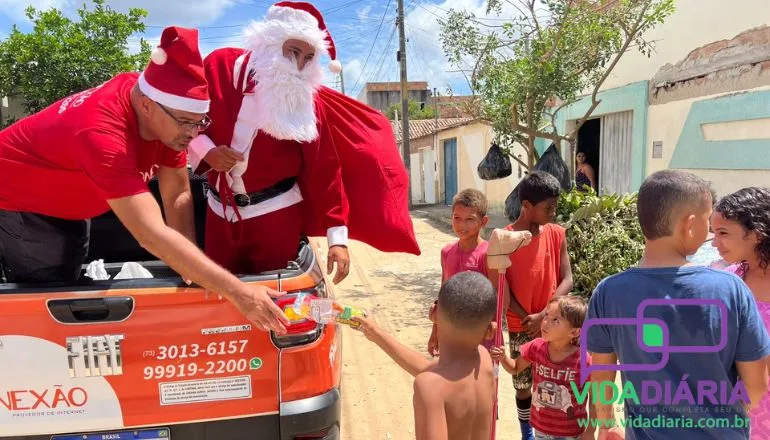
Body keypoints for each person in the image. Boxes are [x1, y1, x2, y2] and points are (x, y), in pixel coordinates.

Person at [0, 27, 290, 333]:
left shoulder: (164, 116)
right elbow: (149, 233)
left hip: (69, 197)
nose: (193, 134)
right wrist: (241, 294)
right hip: (24, 202)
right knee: (55, 304)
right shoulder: (101, 133)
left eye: (200, 122)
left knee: (70, 275)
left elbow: (177, 193)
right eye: (186, 123)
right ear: (147, 105)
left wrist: (189, 270)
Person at [187, 1, 419, 281]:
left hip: (275, 215)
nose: (298, 66)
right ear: (270, 42)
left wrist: (337, 239)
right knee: (219, 302)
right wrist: (207, 151)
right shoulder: (218, 66)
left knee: (278, 306)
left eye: (308, 58)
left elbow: (325, 170)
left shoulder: (307, 100)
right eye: (293, 52)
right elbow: (182, 120)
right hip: (219, 211)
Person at [585, 170, 770, 440]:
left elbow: (601, 377)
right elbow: (756, 386)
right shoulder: (731, 289)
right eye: (708, 222)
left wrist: (607, 422)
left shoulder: (608, 292)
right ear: (690, 224)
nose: (711, 234)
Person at [353, 271, 497, 440]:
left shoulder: (429, 388)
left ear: (434, 312)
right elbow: (430, 371)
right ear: (490, 331)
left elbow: (432, 379)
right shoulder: (484, 360)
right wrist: (375, 333)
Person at [489, 170, 574, 440]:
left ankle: (553, 430)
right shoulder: (504, 240)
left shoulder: (557, 234)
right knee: (523, 384)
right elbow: (503, 289)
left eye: (554, 207)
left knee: (554, 380)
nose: (553, 212)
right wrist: (531, 318)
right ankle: (527, 432)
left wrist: (546, 316)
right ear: (526, 206)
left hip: (556, 324)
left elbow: (568, 278)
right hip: (520, 324)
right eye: (547, 208)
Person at [490, 296, 595, 440]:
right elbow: (515, 368)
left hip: (571, 433)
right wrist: (503, 357)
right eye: (546, 315)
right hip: (541, 429)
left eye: (555, 320)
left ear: (574, 332)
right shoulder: (536, 347)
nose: (545, 322)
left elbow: (596, 398)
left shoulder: (584, 361)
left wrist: (590, 430)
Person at [711, 187, 770, 439]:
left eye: (723, 233)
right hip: (737, 413)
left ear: (756, 234)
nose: (714, 243)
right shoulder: (727, 281)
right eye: (713, 233)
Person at [427, 188, 490, 357]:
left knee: (481, 381)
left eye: (470, 219)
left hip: (480, 336)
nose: (461, 225)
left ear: (483, 221)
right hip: (450, 335)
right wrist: (436, 331)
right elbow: (443, 294)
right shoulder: (446, 252)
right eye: (457, 218)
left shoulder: (488, 254)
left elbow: (497, 299)